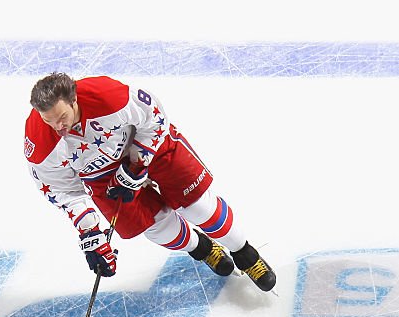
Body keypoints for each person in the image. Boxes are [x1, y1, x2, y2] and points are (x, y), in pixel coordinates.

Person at [23, 73, 276, 291]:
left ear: (73, 99)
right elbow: (63, 191)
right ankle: (202, 248)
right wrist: (91, 233)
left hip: (146, 145)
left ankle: (244, 252)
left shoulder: (108, 96)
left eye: (62, 116)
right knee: (157, 227)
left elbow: (153, 118)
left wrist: (138, 163)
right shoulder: (40, 145)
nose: (59, 126)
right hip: (100, 176)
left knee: (199, 207)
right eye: (49, 120)